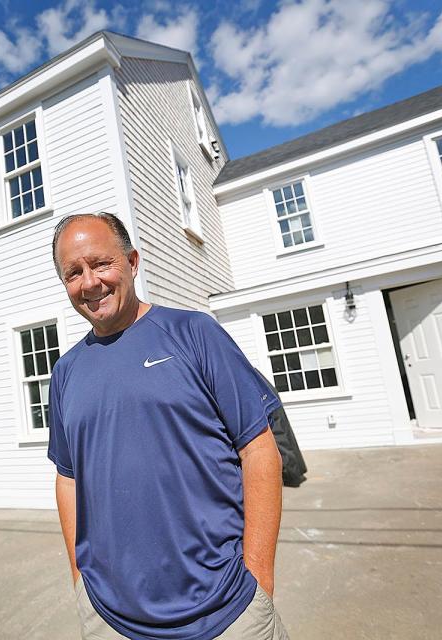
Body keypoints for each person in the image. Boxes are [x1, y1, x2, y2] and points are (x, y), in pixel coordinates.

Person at [47, 212, 290, 640]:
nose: (89, 283)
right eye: (73, 272)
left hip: (227, 611)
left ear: (133, 262)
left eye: (101, 264)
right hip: (110, 619)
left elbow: (258, 448)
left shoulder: (194, 333)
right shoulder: (66, 372)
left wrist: (259, 582)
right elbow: (67, 479)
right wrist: (80, 581)